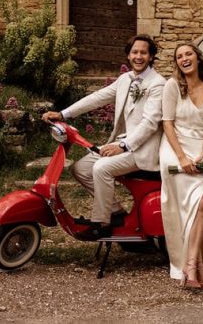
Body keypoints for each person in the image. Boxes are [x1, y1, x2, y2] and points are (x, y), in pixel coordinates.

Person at [42, 34, 166, 240]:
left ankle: (102, 223)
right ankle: (115, 212)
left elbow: (150, 123)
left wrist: (123, 146)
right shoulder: (125, 79)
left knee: (101, 167)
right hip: (121, 143)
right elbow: (97, 98)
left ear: (151, 56)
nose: (138, 56)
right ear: (128, 55)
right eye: (134, 52)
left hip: (142, 149)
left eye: (143, 52)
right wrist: (64, 114)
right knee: (80, 168)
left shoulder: (157, 84)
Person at [159, 42, 203, 291]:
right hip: (174, 149)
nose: (184, 58)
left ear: (197, 57)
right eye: (179, 56)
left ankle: (192, 264)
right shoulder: (172, 86)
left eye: (188, 54)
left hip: (200, 149)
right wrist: (182, 158)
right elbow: (167, 124)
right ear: (176, 63)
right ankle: (195, 267)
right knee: (198, 203)